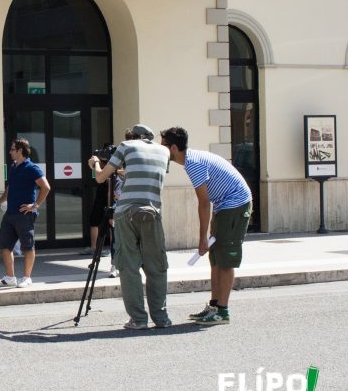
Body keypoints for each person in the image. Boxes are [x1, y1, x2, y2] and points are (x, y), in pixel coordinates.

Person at [161, 126, 252, 325]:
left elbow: (203, 202)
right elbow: (209, 202)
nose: (161, 150)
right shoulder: (191, 160)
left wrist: (202, 238)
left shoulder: (193, 164)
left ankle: (223, 311)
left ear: (174, 148)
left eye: (163, 146)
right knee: (216, 256)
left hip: (235, 204)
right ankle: (214, 306)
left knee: (226, 257)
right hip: (224, 205)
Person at [88, 124, 172, 330]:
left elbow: (100, 178)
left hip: (127, 212)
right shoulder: (164, 151)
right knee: (157, 266)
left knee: (129, 266)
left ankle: (138, 319)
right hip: (153, 212)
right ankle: (161, 319)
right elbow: (147, 175)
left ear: (132, 137)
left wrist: (96, 164)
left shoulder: (125, 146)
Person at [0, 138, 51, 288]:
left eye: (12, 149)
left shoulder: (32, 168)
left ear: (20, 151)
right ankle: (10, 277)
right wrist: (0, 202)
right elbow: (10, 187)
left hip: (25, 214)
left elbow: (46, 187)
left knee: (27, 246)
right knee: (4, 245)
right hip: (10, 214)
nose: (10, 152)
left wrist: (35, 205)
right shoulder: (13, 167)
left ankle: (27, 278)